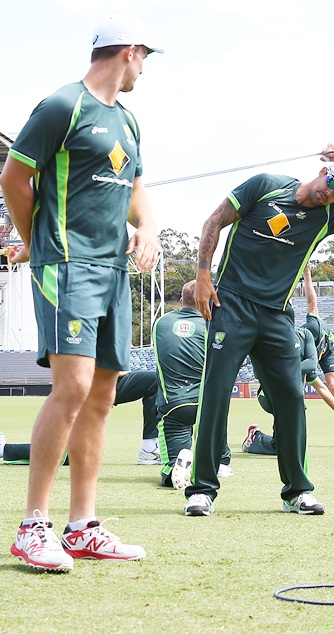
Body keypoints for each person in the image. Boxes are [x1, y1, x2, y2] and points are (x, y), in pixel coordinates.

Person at [0, 13, 162, 572]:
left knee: (101, 393)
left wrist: (150, 229)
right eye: (146, 58)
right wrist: (38, 243)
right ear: (130, 52)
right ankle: (32, 526)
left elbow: (137, 188)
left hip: (114, 270)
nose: (145, 69)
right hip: (67, 266)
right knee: (71, 387)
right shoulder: (61, 106)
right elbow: (13, 180)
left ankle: (81, 527)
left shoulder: (130, 123)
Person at [185, 144, 334, 517]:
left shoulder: (332, 216)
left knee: (291, 402)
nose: (330, 194)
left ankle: (297, 491)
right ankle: (202, 490)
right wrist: (203, 275)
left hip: (277, 316)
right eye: (331, 184)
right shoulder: (267, 185)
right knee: (215, 395)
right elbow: (214, 220)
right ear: (321, 171)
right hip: (230, 304)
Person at [152, 280, 232, 489]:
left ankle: (173, 468)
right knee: (218, 408)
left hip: (175, 405)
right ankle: (220, 461)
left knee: (172, 463)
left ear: (180, 301)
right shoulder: (212, 325)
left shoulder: (160, 323)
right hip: (206, 402)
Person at [0, 370, 159, 465]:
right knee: (68, 455)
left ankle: (149, 449)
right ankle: (4, 449)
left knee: (154, 381)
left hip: (100, 382)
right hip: (81, 387)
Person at [242, 326, 334, 455]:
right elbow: (258, 372)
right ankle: (259, 438)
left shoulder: (304, 336)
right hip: (269, 396)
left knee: (291, 445)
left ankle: (256, 436)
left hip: (293, 400)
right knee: (290, 445)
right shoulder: (268, 337)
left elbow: (320, 384)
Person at [302, 263, 334, 447]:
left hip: (327, 348)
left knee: (333, 384)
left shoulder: (313, 326)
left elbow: (311, 303)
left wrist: (307, 275)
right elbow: (319, 388)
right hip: (313, 357)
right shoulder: (300, 353)